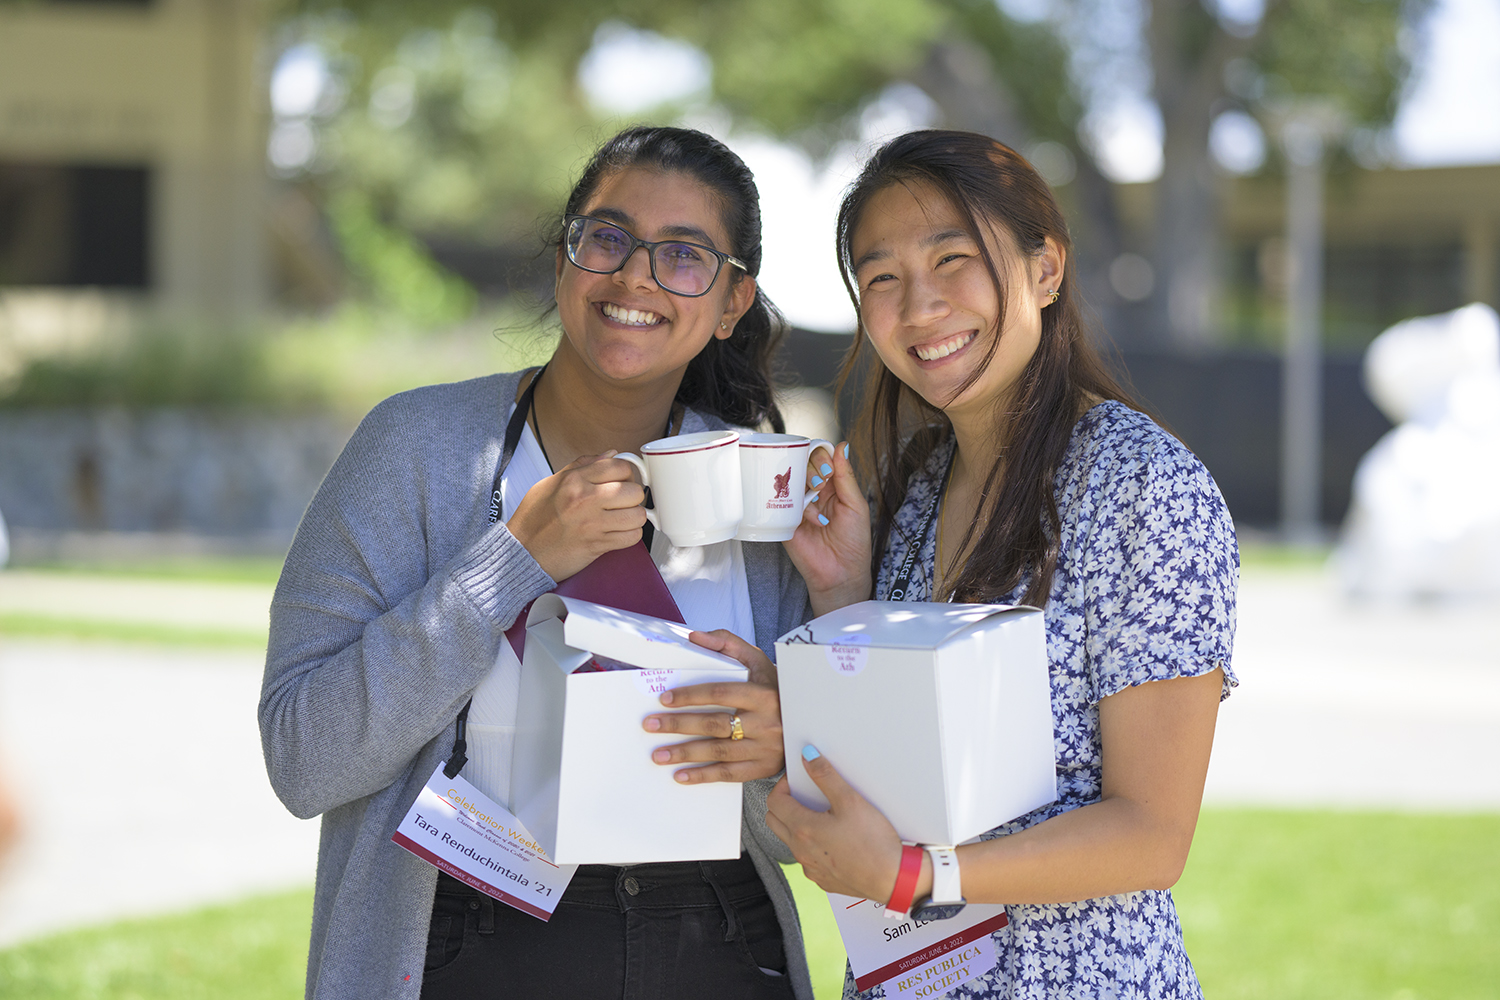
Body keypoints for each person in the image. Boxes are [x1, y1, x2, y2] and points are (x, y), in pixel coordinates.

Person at [260, 125, 821, 1000]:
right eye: (609, 238)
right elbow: (304, 760)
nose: (636, 275)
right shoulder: (416, 448)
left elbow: (808, 837)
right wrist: (513, 561)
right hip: (465, 936)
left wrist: (782, 739)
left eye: (684, 256)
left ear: (732, 301)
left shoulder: (763, 491)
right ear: (565, 259)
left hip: (714, 941)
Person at [768, 130, 1239, 998]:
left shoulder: (1144, 485)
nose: (919, 308)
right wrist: (841, 589)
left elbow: (1151, 835)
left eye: (953, 259)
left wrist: (915, 878)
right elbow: (903, 754)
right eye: (881, 279)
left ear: (1046, 270)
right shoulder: (912, 488)